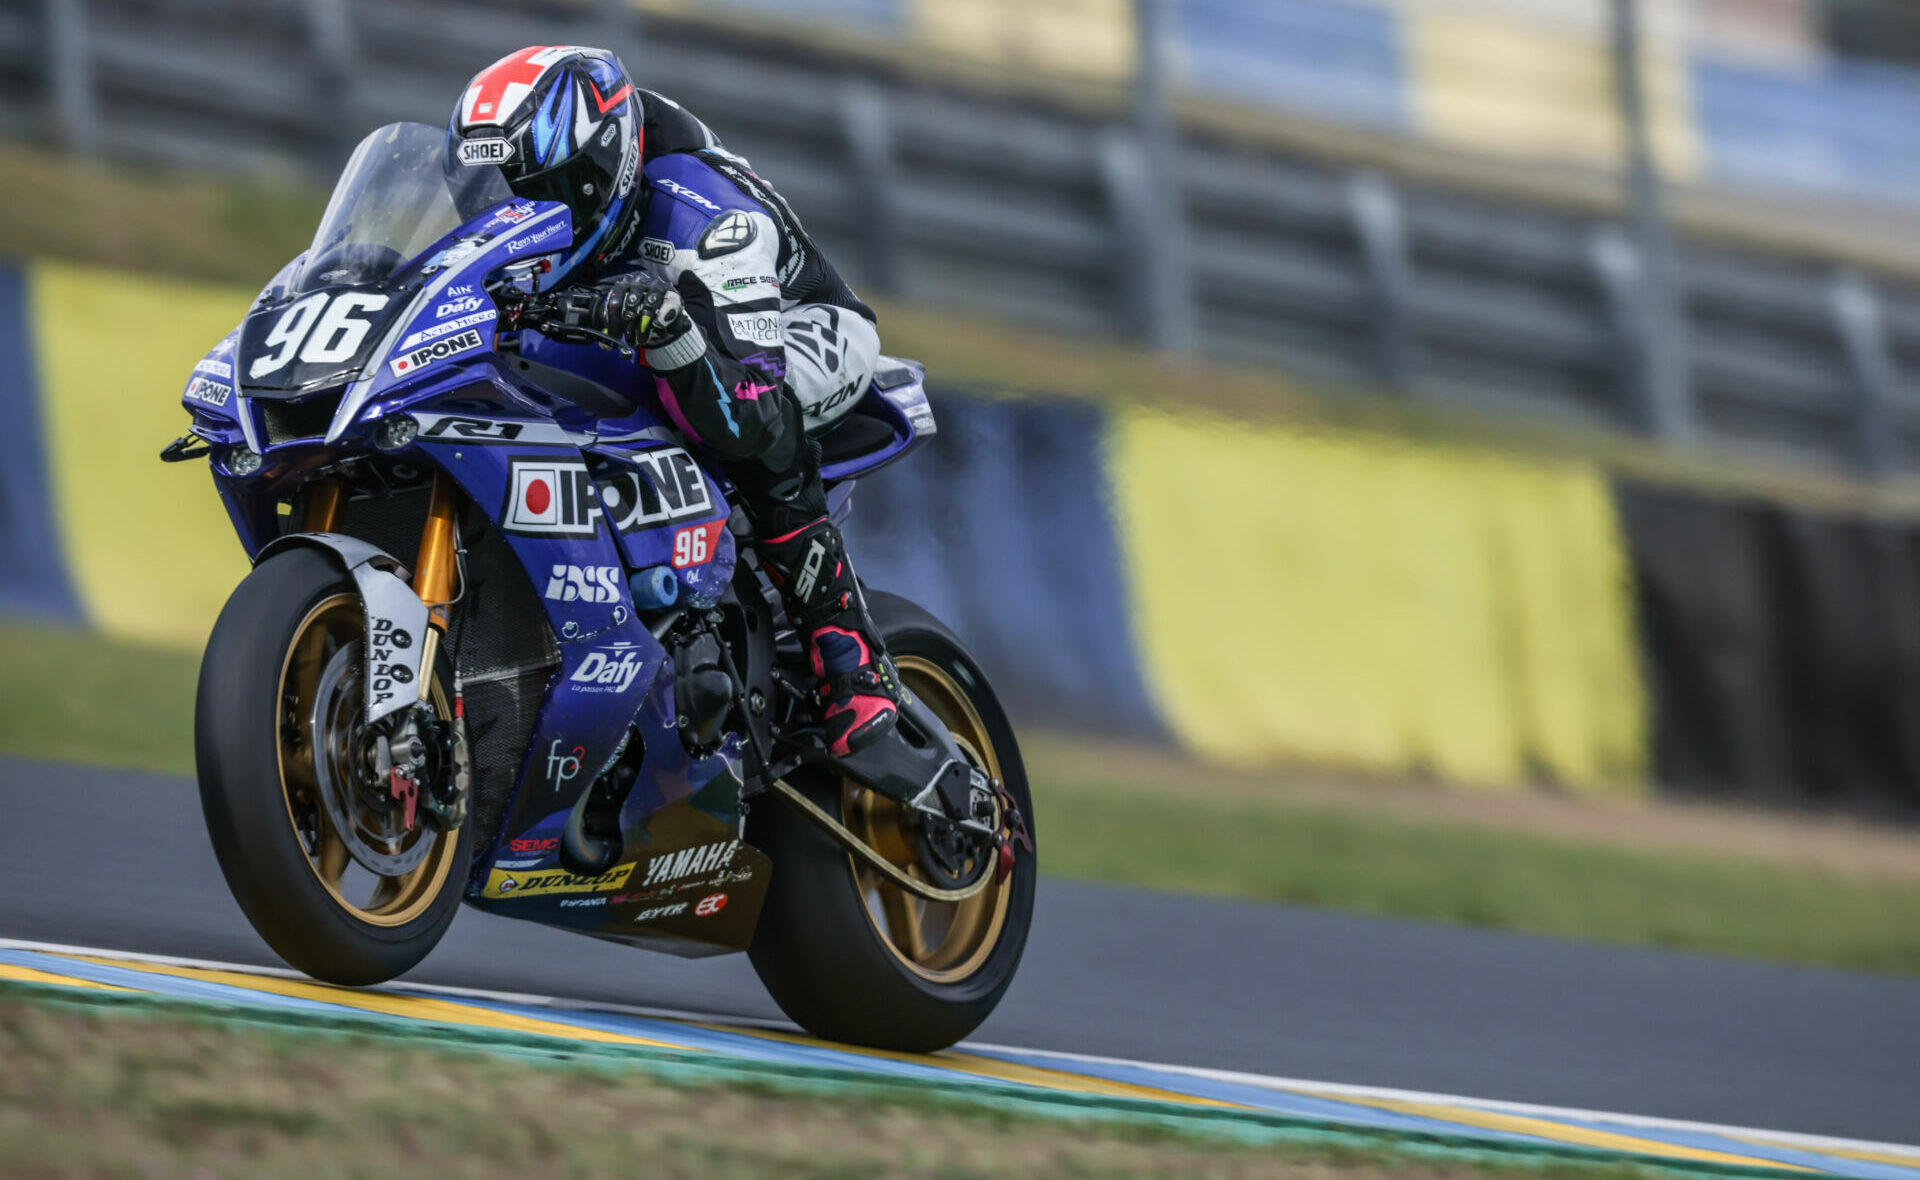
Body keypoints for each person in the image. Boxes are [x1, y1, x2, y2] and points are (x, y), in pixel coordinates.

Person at [450, 45, 898, 758]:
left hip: (796, 326)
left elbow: (747, 410)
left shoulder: (706, 218)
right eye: (501, 195)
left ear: (599, 174)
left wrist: (666, 328)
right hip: (622, 306)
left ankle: (847, 652)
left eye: (541, 193)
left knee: (750, 429)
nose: (519, 213)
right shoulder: (563, 205)